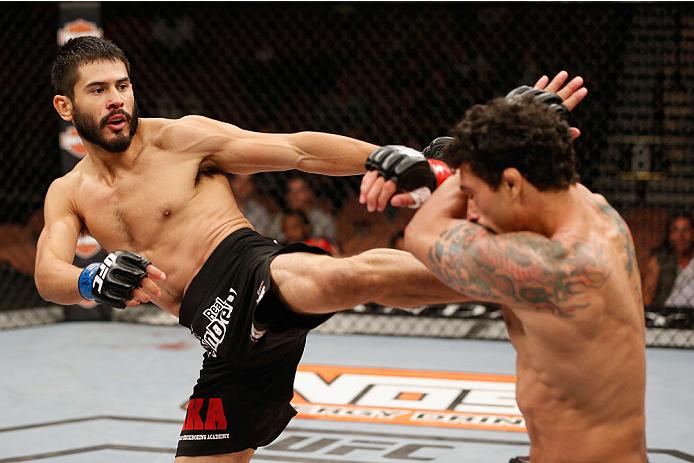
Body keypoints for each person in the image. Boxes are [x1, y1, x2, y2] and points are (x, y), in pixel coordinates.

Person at [36, 36, 584, 462]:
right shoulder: (70, 192)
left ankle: (512, 270)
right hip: (221, 338)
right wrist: (88, 280)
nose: (117, 100)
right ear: (65, 106)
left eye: (123, 85)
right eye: (98, 90)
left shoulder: (177, 140)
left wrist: (397, 157)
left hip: (248, 270)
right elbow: (48, 273)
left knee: (339, 278)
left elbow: (298, 151)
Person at [360, 85, 648, 462]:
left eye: (472, 193)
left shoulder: (554, 266)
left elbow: (422, 234)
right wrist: (518, 130)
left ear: (512, 182)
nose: (473, 211)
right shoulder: (596, 211)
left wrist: (445, 171)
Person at [642, 212, 694, 308]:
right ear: (669, 234)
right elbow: (646, 298)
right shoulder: (659, 261)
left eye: (686, 230)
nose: (681, 236)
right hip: (665, 315)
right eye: (676, 230)